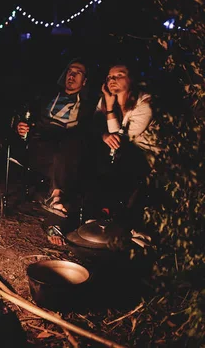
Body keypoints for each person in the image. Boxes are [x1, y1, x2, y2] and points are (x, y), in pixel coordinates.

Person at [15, 59, 95, 245]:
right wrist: (21, 127)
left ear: (84, 81)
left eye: (78, 73)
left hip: (71, 149)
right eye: (69, 71)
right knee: (61, 151)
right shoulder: (45, 98)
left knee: (68, 145)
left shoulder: (90, 104)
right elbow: (25, 120)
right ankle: (57, 203)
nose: (72, 75)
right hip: (41, 146)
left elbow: (91, 130)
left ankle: (55, 206)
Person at [90, 61, 159, 231]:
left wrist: (111, 108)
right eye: (109, 77)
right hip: (116, 149)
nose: (112, 79)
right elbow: (95, 126)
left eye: (119, 75)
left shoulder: (145, 102)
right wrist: (103, 135)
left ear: (131, 79)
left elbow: (124, 140)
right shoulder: (104, 100)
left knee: (124, 159)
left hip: (143, 152)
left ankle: (111, 215)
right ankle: (91, 213)